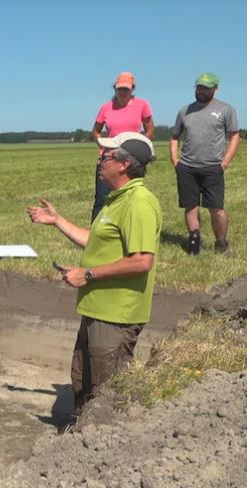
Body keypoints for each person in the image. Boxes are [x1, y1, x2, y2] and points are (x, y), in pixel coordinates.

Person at [27, 132, 161, 432]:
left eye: (107, 156)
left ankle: (100, 445)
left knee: (106, 391)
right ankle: (79, 438)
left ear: (125, 164)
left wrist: (86, 274)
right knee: (83, 382)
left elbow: (142, 261)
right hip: (98, 310)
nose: (100, 160)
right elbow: (94, 242)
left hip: (116, 316)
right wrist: (57, 220)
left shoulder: (138, 203)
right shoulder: (116, 201)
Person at [170, 72, 240, 255]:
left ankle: (221, 243)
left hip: (213, 167)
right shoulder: (185, 111)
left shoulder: (226, 110)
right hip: (187, 166)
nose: (201, 91)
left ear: (215, 89)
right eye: (199, 88)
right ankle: (194, 240)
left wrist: (225, 162)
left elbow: (234, 136)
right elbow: (174, 136)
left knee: (216, 208)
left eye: (206, 88)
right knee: (190, 206)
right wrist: (175, 160)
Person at [90, 72, 154, 221]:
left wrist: (139, 147)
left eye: (126, 89)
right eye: (120, 89)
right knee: (102, 199)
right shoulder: (106, 107)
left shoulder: (142, 105)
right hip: (109, 156)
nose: (123, 92)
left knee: (129, 198)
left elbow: (150, 130)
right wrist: (102, 145)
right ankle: (94, 234)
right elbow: (96, 131)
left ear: (132, 89)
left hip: (130, 159)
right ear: (114, 88)